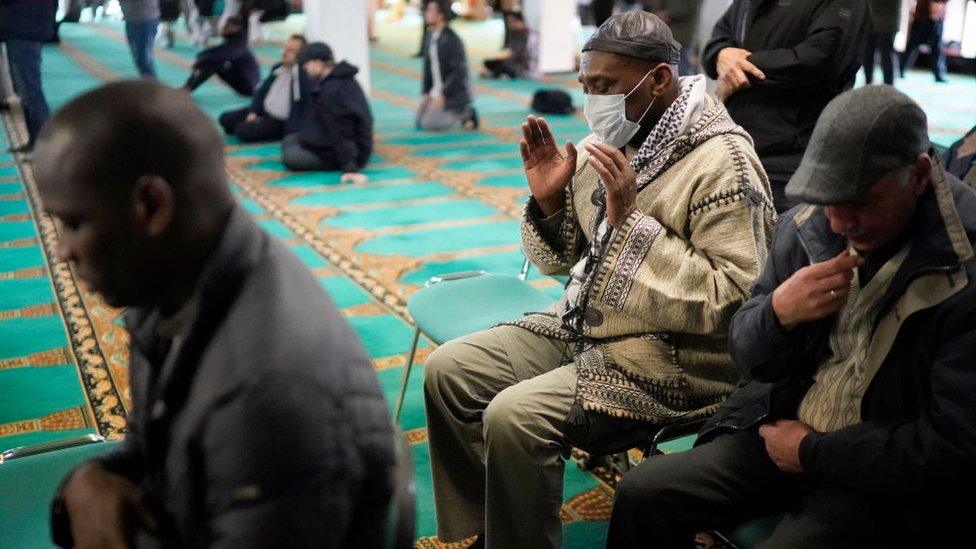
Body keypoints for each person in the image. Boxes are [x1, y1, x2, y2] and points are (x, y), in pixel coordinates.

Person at [423, 12, 776, 549]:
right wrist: (547, 201)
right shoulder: (614, 140)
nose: (593, 101)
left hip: (676, 358)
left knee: (514, 417)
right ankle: (486, 529)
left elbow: (734, 300)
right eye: (587, 86)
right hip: (584, 323)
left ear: (658, 79)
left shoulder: (724, 162)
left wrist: (631, 224)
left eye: (605, 86)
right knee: (449, 370)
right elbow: (562, 259)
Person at [607, 85, 976, 548]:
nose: (840, 222)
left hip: (884, 475)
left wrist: (813, 452)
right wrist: (779, 315)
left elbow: (952, 445)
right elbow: (747, 359)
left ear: (919, 173)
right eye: (829, 199)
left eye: (860, 202)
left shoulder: (963, 266)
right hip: (785, 430)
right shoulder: (809, 224)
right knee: (644, 491)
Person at [33, 79, 395, 548]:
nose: (62, 252)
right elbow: (157, 449)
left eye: (74, 223)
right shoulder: (180, 278)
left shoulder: (268, 397)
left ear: (151, 206)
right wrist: (89, 479)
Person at [702, 0, 869, 213]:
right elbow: (719, 38)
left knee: (781, 240)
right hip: (735, 151)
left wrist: (741, 67)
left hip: (792, 163)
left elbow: (820, 60)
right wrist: (721, 54)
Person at [281, 42, 373, 182]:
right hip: (335, 141)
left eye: (307, 64)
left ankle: (336, 162)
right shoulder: (336, 79)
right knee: (289, 141)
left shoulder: (332, 91)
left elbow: (342, 130)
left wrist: (350, 166)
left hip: (347, 152)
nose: (305, 69)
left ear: (318, 63)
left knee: (290, 156)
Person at [218, 34, 307, 142]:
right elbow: (261, 92)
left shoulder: (302, 76)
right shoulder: (278, 68)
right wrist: (253, 112)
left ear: (301, 54)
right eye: (285, 48)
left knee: (242, 130)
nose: (284, 53)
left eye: (291, 50)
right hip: (264, 112)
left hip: (279, 122)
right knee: (225, 119)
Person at [0, 0, 56, 153]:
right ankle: (35, 141)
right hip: (24, 26)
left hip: (25, 27)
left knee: (30, 91)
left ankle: (49, 147)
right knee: (25, 90)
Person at [416, 0, 478, 131]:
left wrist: (443, 94)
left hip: (453, 93)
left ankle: (465, 113)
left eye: (430, 11)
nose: (426, 14)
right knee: (419, 120)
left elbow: (458, 73)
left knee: (430, 124)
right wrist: (426, 93)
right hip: (437, 91)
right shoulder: (430, 36)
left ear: (440, 15)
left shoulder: (452, 40)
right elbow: (428, 69)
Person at [183, 15, 260, 95]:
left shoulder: (238, 45)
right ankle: (188, 87)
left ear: (236, 28)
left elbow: (221, 55)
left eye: (227, 26)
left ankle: (188, 88)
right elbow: (216, 51)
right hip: (246, 82)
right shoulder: (235, 41)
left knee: (213, 63)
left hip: (249, 87)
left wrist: (200, 59)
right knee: (210, 61)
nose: (223, 28)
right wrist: (201, 58)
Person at [643, 0, 704, 76]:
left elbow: (690, 7)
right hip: (664, 32)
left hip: (682, 33)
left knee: (683, 66)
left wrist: (668, 13)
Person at [900, 0, 949, 82]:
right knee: (912, 46)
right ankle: (900, 69)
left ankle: (938, 74)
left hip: (936, 19)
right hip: (921, 18)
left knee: (937, 48)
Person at [481, 10, 529, 79]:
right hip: (509, 58)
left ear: (518, 21)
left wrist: (508, 55)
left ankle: (497, 73)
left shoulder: (527, 35)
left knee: (503, 65)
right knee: (488, 62)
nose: (510, 24)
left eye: (512, 22)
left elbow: (520, 53)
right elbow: (507, 47)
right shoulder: (514, 32)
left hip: (518, 63)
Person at [863, 0, 901, 85]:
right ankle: (873, 81)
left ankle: (886, 83)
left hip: (886, 21)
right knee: (870, 54)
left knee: (885, 55)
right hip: (874, 20)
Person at [119, 0, 161, 77]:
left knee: (144, 61)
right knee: (141, 60)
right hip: (133, 19)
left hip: (145, 19)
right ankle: (150, 85)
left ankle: (152, 86)